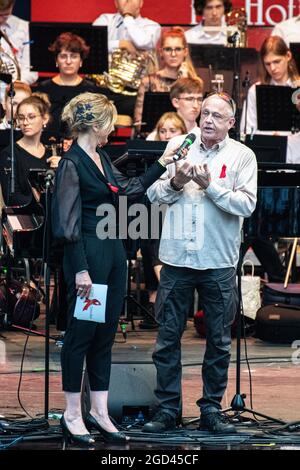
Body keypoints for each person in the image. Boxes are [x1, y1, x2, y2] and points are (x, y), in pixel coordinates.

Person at [51, 92, 183, 446]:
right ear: (95, 125)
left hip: (111, 253)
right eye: (109, 124)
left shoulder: (101, 157)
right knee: (81, 335)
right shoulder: (71, 163)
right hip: (88, 256)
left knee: (105, 334)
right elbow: (67, 226)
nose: (113, 130)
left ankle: (99, 410)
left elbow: (128, 189)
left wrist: (164, 162)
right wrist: (80, 271)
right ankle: (72, 413)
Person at [143, 92, 257, 434]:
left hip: (218, 263)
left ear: (230, 123)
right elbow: (151, 194)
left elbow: (247, 205)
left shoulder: (242, 156)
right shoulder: (179, 144)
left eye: (216, 116)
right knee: (167, 338)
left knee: (219, 342)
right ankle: (167, 411)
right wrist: (176, 182)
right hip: (177, 259)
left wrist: (212, 187)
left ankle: (211, 410)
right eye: (204, 113)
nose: (207, 120)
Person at [92, 0, 161, 117]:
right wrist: (120, 44)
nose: (128, 2)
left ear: (141, 3)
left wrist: (127, 17)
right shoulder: (104, 20)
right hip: (101, 87)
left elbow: (142, 42)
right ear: (115, 2)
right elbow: (92, 44)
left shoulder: (152, 26)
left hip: (133, 92)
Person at [133, 27, 200, 130]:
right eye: (168, 49)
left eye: (178, 49)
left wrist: (184, 80)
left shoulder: (195, 82)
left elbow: (196, 120)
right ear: (161, 52)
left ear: (185, 52)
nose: (173, 54)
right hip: (155, 138)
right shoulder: (148, 81)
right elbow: (139, 123)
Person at [0, 93, 60, 206]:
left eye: (31, 117)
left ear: (45, 119)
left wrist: (63, 169)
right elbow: (11, 198)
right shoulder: (9, 153)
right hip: (28, 220)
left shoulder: (52, 152)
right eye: (21, 118)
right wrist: (44, 201)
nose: (25, 123)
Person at [36, 32, 99, 134]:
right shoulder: (43, 88)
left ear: (81, 61)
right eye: (63, 56)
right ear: (56, 60)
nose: (68, 61)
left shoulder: (91, 89)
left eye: (74, 56)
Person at [240, 36, 300, 136]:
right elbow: (246, 130)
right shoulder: (255, 90)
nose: (272, 68)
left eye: (277, 61)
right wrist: (270, 137)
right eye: (267, 64)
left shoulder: (298, 88)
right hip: (266, 149)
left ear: (288, 56)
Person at [0, 0, 38, 87]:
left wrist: (16, 84)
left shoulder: (25, 28)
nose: (0, 19)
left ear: (12, 6)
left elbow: (31, 70)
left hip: (16, 89)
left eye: (5, 15)